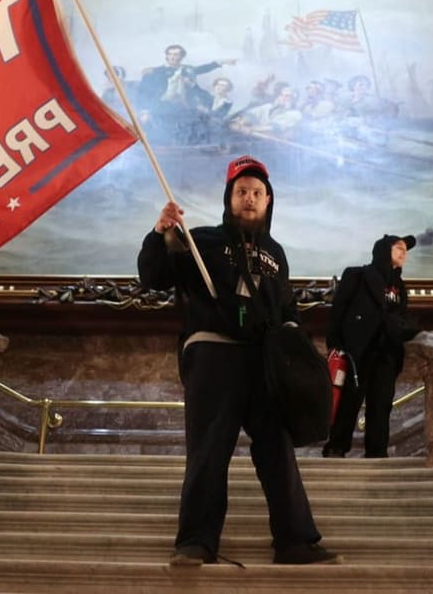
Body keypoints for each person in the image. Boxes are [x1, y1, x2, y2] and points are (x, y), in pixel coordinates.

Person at [137, 155, 341, 566]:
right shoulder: (200, 241)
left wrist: (295, 351)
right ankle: (196, 541)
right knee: (209, 449)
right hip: (214, 353)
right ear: (229, 198)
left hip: (263, 362)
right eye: (241, 191)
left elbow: (288, 311)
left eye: (257, 193)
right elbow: (154, 276)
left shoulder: (276, 253)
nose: (249, 199)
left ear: (269, 201)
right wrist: (161, 234)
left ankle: (295, 541)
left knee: (277, 450)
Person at [323, 234, 420, 459]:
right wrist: (335, 344)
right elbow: (338, 311)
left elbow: (401, 318)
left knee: (381, 404)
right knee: (350, 400)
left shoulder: (399, 286)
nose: (404, 252)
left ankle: (377, 454)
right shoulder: (357, 275)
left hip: (386, 352)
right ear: (383, 250)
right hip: (358, 351)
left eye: (406, 249)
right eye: (398, 247)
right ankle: (336, 448)